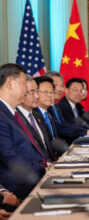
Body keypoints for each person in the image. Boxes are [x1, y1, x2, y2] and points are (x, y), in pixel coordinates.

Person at [0, 63, 45, 200]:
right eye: (24, 84)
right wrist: (43, 173)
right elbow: (10, 158)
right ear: (9, 83)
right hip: (18, 191)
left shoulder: (11, 112)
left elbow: (26, 150)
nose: (26, 90)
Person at [17, 76, 58, 162]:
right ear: (20, 93)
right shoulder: (15, 118)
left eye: (37, 91)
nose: (37, 96)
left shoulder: (37, 116)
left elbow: (48, 147)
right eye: (32, 92)